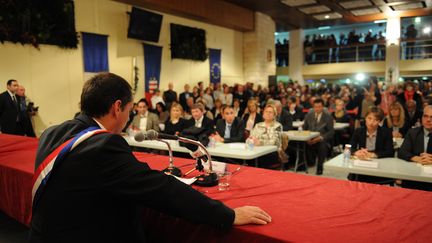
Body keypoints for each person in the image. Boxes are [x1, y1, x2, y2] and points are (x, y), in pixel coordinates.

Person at [29, 73, 271, 243]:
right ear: (117, 107)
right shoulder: (103, 145)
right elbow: (161, 190)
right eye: (129, 109)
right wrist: (227, 215)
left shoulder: (52, 133)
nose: (129, 116)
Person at [349, 107, 395, 184]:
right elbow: (350, 147)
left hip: (380, 166)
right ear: (365, 118)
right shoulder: (358, 131)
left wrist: (373, 155)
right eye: (369, 118)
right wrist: (357, 152)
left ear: (380, 121)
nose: (371, 122)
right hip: (362, 164)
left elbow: (390, 152)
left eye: (375, 120)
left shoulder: (386, 132)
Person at [398, 105, 432, 191]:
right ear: (422, 118)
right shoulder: (412, 132)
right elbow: (402, 152)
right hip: (414, 175)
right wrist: (418, 158)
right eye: (425, 116)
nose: (428, 120)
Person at [303, 98, 335, 175]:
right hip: (310, 138)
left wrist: (320, 138)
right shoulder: (308, 115)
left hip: (321, 139)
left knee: (322, 146)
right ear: (313, 107)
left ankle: (320, 167)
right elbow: (305, 128)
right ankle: (304, 164)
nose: (317, 108)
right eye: (315, 107)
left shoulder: (328, 117)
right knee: (300, 144)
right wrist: (306, 138)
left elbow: (331, 131)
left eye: (319, 106)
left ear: (323, 107)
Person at [249, 104, 282, 168]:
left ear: (274, 115)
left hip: (271, 153)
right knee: (248, 159)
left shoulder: (278, 126)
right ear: (263, 113)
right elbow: (251, 137)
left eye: (270, 112)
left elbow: (274, 141)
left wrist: (260, 142)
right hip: (256, 150)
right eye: (266, 112)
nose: (268, 113)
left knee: (258, 160)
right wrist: (251, 142)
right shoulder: (258, 125)